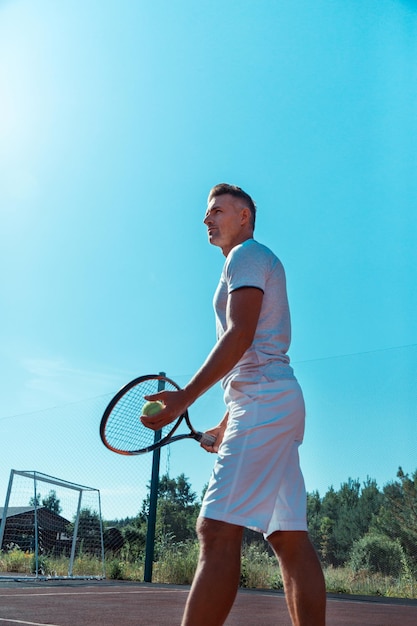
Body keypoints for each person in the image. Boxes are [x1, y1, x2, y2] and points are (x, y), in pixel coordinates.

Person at [141, 183, 326, 626]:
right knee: (289, 539)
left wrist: (185, 395)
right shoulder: (249, 260)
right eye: (207, 214)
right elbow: (253, 350)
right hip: (273, 398)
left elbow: (240, 334)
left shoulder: (245, 255)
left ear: (244, 217)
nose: (207, 219)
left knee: (216, 529)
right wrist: (226, 422)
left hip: (264, 399)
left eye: (217, 211)